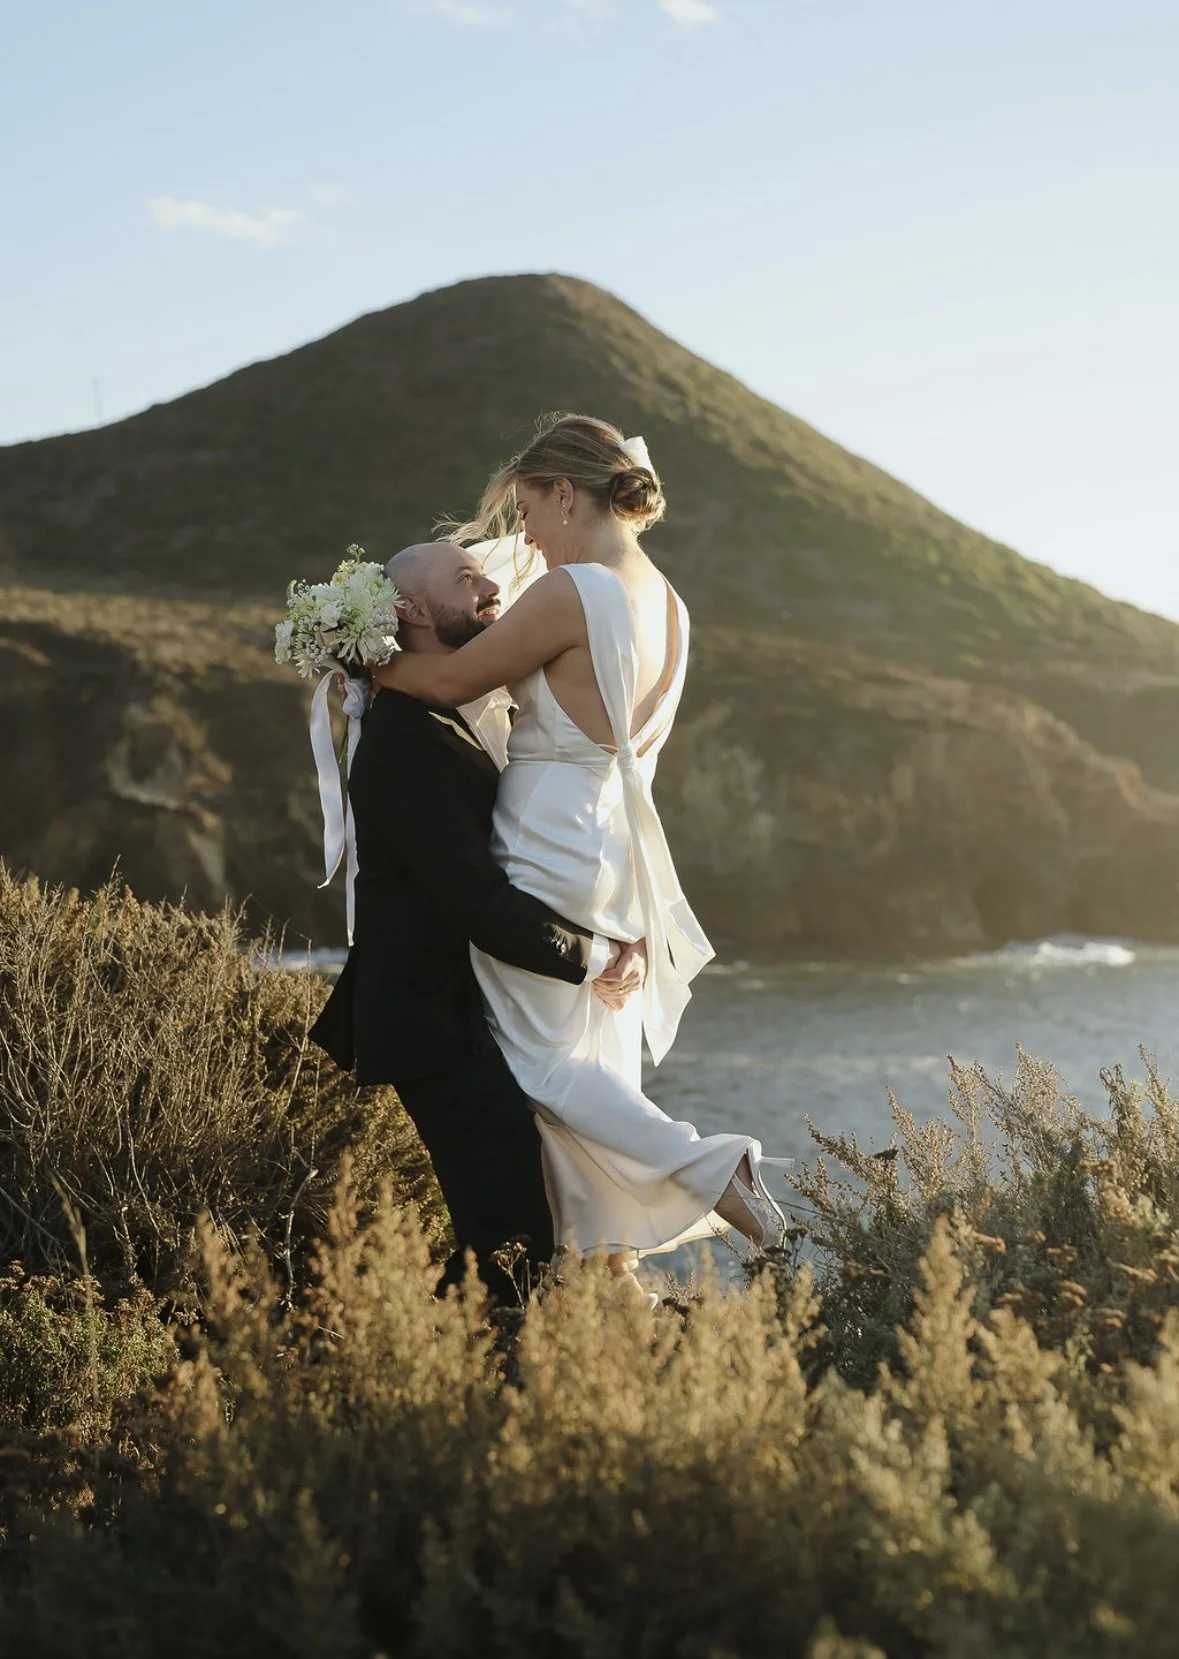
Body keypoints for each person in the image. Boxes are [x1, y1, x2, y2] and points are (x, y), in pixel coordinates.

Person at [371, 415, 791, 1307]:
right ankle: (614, 1275)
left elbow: (445, 682)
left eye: (527, 510)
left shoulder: (573, 591)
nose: (523, 535)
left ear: (565, 493)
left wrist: (360, 659)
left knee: (539, 1065)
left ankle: (715, 1168)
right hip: (614, 850)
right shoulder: (669, 603)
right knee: (593, 1062)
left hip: (546, 839)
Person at [310, 537, 643, 1304]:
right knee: (512, 1237)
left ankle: (485, 1349)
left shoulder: (440, 717)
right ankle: (472, 1363)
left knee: (513, 1229)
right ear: (413, 611)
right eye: (466, 580)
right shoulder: (403, 740)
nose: (490, 589)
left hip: (465, 1010)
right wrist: (595, 956)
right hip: (430, 1022)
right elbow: (477, 899)